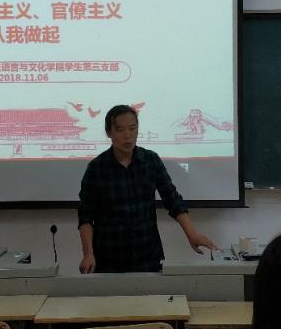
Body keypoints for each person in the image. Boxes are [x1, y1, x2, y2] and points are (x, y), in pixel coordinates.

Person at [77, 104, 216, 273]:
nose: (127, 135)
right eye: (120, 130)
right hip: (109, 256)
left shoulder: (151, 160)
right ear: (109, 133)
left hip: (147, 254)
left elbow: (172, 200)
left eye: (132, 128)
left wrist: (192, 235)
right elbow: (86, 216)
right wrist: (88, 254)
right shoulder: (96, 168)